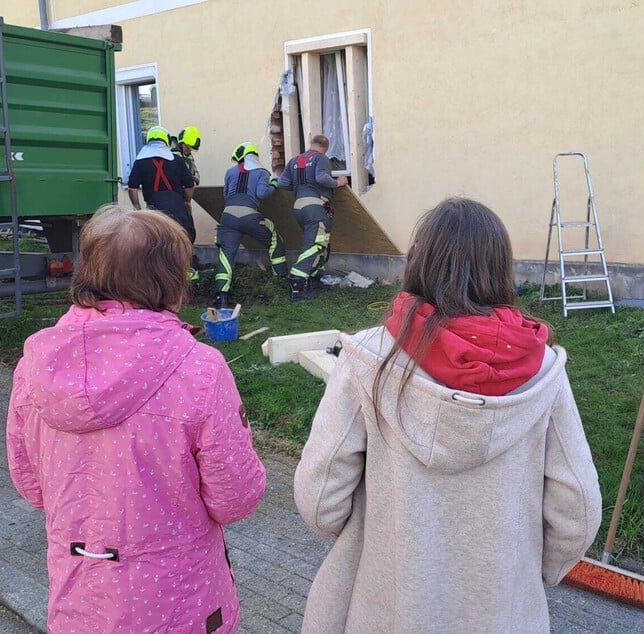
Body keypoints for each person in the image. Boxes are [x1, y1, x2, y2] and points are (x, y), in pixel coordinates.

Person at [293, 198, 602, 633]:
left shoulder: (369, 358)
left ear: (420, 261)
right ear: (500, 268)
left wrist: (373, 539)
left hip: (389, 609)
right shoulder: (543, 371)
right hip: (501, 613)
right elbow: (579, 509)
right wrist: (531, 572)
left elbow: (320, 496)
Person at [6, 205, 266, 633]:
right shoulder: (200, 369)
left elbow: (31, 485)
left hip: (80, 600)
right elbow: (235, 497)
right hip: (177, 602)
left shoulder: (34, 364)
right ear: (170, 280)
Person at [212, 142, 288, 308]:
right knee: (274, 239)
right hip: (250, 216)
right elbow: (262, 193)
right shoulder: (262, 172)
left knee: (226, 255)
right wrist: (273, 185)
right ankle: (281, 280)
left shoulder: (230, 172)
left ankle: (221, 296)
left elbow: (226, 196)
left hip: (228, 217)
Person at [276, 134, 347, 301]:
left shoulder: (294, 161)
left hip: (299, 206)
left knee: (320, 243)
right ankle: (297, 281)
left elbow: (281, 183)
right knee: (315, 244)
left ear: (311, 144)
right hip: (316, 206)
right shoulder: (321, 158)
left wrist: (300, 186)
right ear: (326, 148)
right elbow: (321, 177)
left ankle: (313, 278)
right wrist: (339, 182)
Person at [127, 125, 197, 243]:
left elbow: (132, 188)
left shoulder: (140, 162)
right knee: (185, 240)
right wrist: (187, 201)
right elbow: (190, 185)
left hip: (154, 213)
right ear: (167, 141)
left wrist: (137, 207)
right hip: (178, 209)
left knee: (156, 244)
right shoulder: (177, 160)